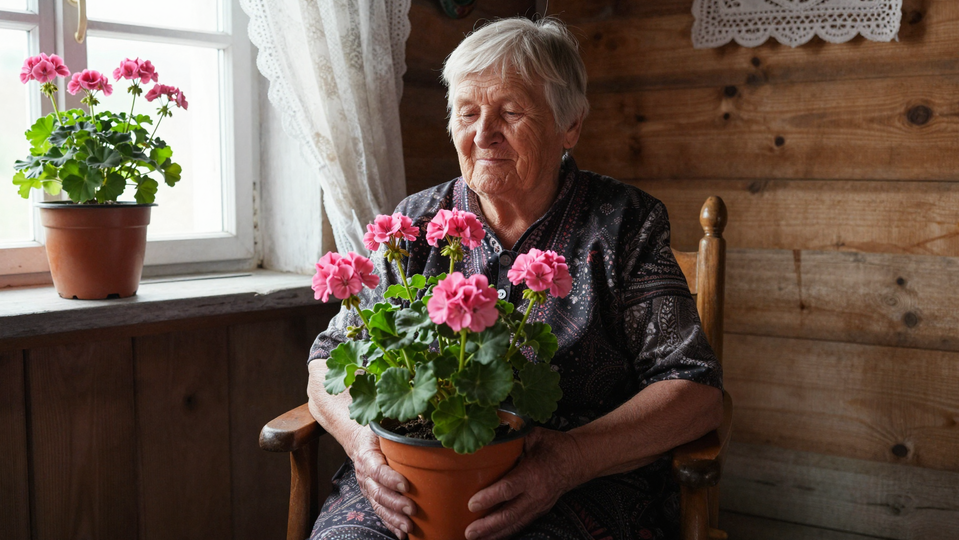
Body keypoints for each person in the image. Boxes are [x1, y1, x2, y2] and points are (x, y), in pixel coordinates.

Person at [306, 17, 723, 540]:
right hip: (407, 485)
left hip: (577, 485)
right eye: (467, 112)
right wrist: (360, 442)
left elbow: (696, 389)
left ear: (569, 125)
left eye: (510, 112)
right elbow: (327, 361)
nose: (483, 134)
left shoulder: (624, 223)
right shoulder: (412, 224)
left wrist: (569, 461)